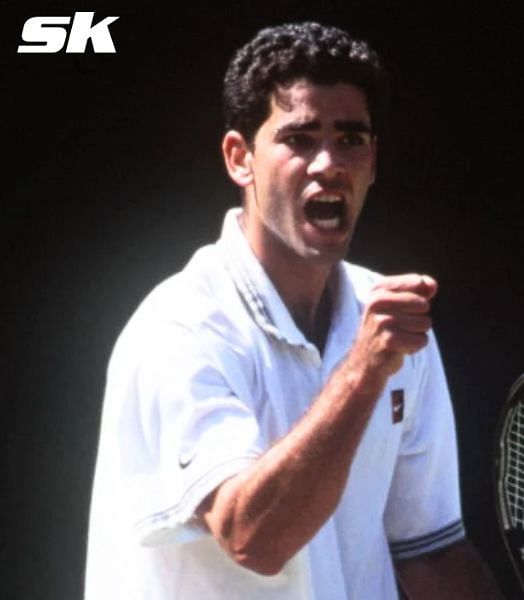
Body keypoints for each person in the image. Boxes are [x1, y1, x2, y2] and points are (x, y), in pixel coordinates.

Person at [84, 22, 500, 599]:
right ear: (240, 158)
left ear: (373, 161)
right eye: (299, 139)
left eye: (350, 139)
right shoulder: (178, 328)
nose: (328, 163)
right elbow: (253, 536)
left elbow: (428, 555)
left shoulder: (393, 325)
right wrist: (365, 368)